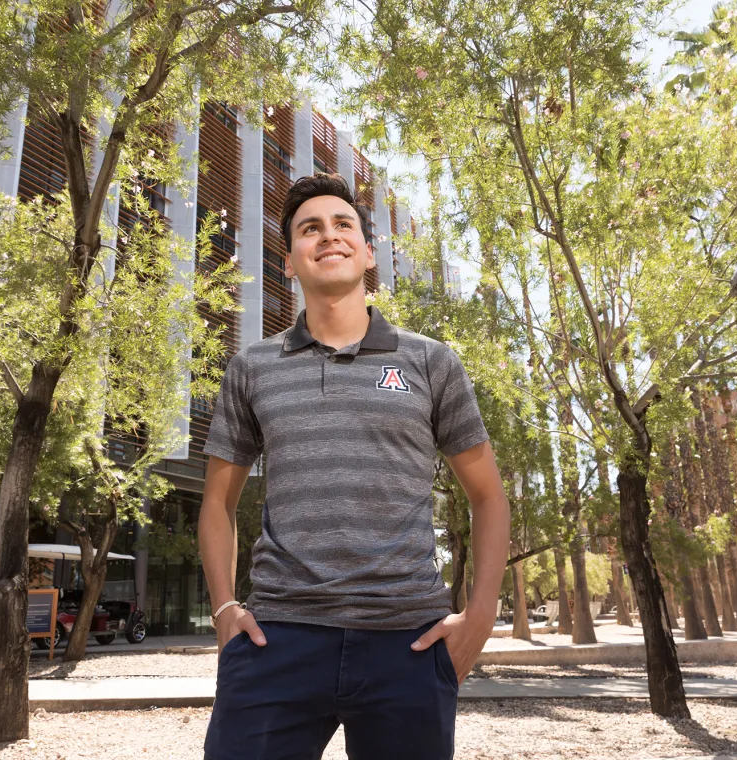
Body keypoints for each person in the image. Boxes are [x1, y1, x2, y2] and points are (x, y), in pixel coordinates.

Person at [198, 172, 510, 760]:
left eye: (343, 225)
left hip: (409, 644)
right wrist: (222, 611)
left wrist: (480, 617)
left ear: (368, 252)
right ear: (289, 260)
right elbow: (217, 502)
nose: (328, 236)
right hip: (277, 639)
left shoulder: (431, 362)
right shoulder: (252, 367)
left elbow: (488, 496)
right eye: (309, 228)